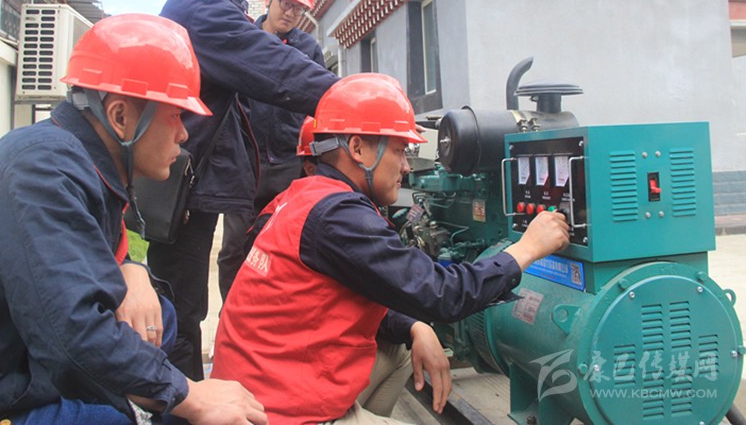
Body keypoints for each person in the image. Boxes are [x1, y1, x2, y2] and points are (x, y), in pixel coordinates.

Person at [0, 14, 267, 425]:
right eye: (175, 116)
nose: (183, 134)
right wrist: (188, 394)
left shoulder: (76, 159)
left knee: (158, 317)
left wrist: (131, 267)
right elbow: (70, 331)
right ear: (121, 117)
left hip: (2, 360)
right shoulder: (43, 170)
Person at [211, 73, 570, 424]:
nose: (406, 166)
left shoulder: (301, 197)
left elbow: (343, 296)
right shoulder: (338, 216)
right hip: (277, 412)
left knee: (398, 350)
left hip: (255, 389)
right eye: (398, 151)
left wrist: (415, 326)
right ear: (357, 148)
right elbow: (444, 294)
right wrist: (526, 249)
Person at [153, 0, 338, 380]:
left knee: (185, 301)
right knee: (180, 304)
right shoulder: (204, 7)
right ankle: (181, 403)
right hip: (178, 180)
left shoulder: (221, 3)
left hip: (199, 177)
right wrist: (353, 98)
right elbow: (270, 65)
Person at [218, 0, 326, 301]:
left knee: (280, 245)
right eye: (286, 3)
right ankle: (231, 312)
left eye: (299, 8)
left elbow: (319, 107)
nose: (290, 13)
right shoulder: (245, 39)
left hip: (287, 165)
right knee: (234, 247)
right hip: (244, 165)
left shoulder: (308, 50)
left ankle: (268, 311)